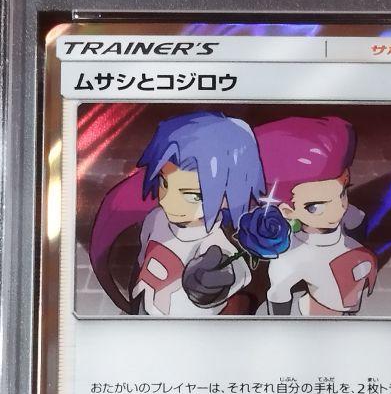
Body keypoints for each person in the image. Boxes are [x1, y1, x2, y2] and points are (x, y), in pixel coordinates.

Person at [89, 111, 264, 316]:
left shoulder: (215, 245)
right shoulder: (156, 217)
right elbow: (142, 261)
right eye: (164, 183)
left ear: (228, 196)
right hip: (144, 309)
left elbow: (234, 273)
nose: (167, 201)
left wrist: (212, 283)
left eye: (192, 195)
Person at [253, 116, 377, 316]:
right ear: (288, 211)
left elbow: (357, 222)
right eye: (315, 207)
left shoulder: (351, 215)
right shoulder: (291, 258)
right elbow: (278, 294)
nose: (338, 209)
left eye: (342, 193)